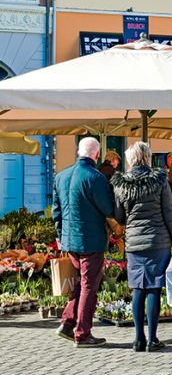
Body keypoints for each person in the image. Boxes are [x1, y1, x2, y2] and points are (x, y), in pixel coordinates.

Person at [111, 142, 172, 353]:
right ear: (147, 157)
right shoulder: (159, 180)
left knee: (137, 289)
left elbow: (119, 216)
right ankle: (152, 339)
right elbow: (170, 213)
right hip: (158, 241)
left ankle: (138, 339)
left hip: (134, 243)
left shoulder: (120, 183)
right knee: (153, 288)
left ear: (130, 160)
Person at [52, 137, 114, 348]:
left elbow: (56, 212)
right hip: (90, 241)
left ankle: (68, 323)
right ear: (96, 155)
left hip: (69, 240)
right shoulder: (95, 178)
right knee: (89, 286)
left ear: (78, 152)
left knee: (81, 283)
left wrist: (61, 236)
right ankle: (83, 333)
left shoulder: (61, 176)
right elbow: (108, 208)